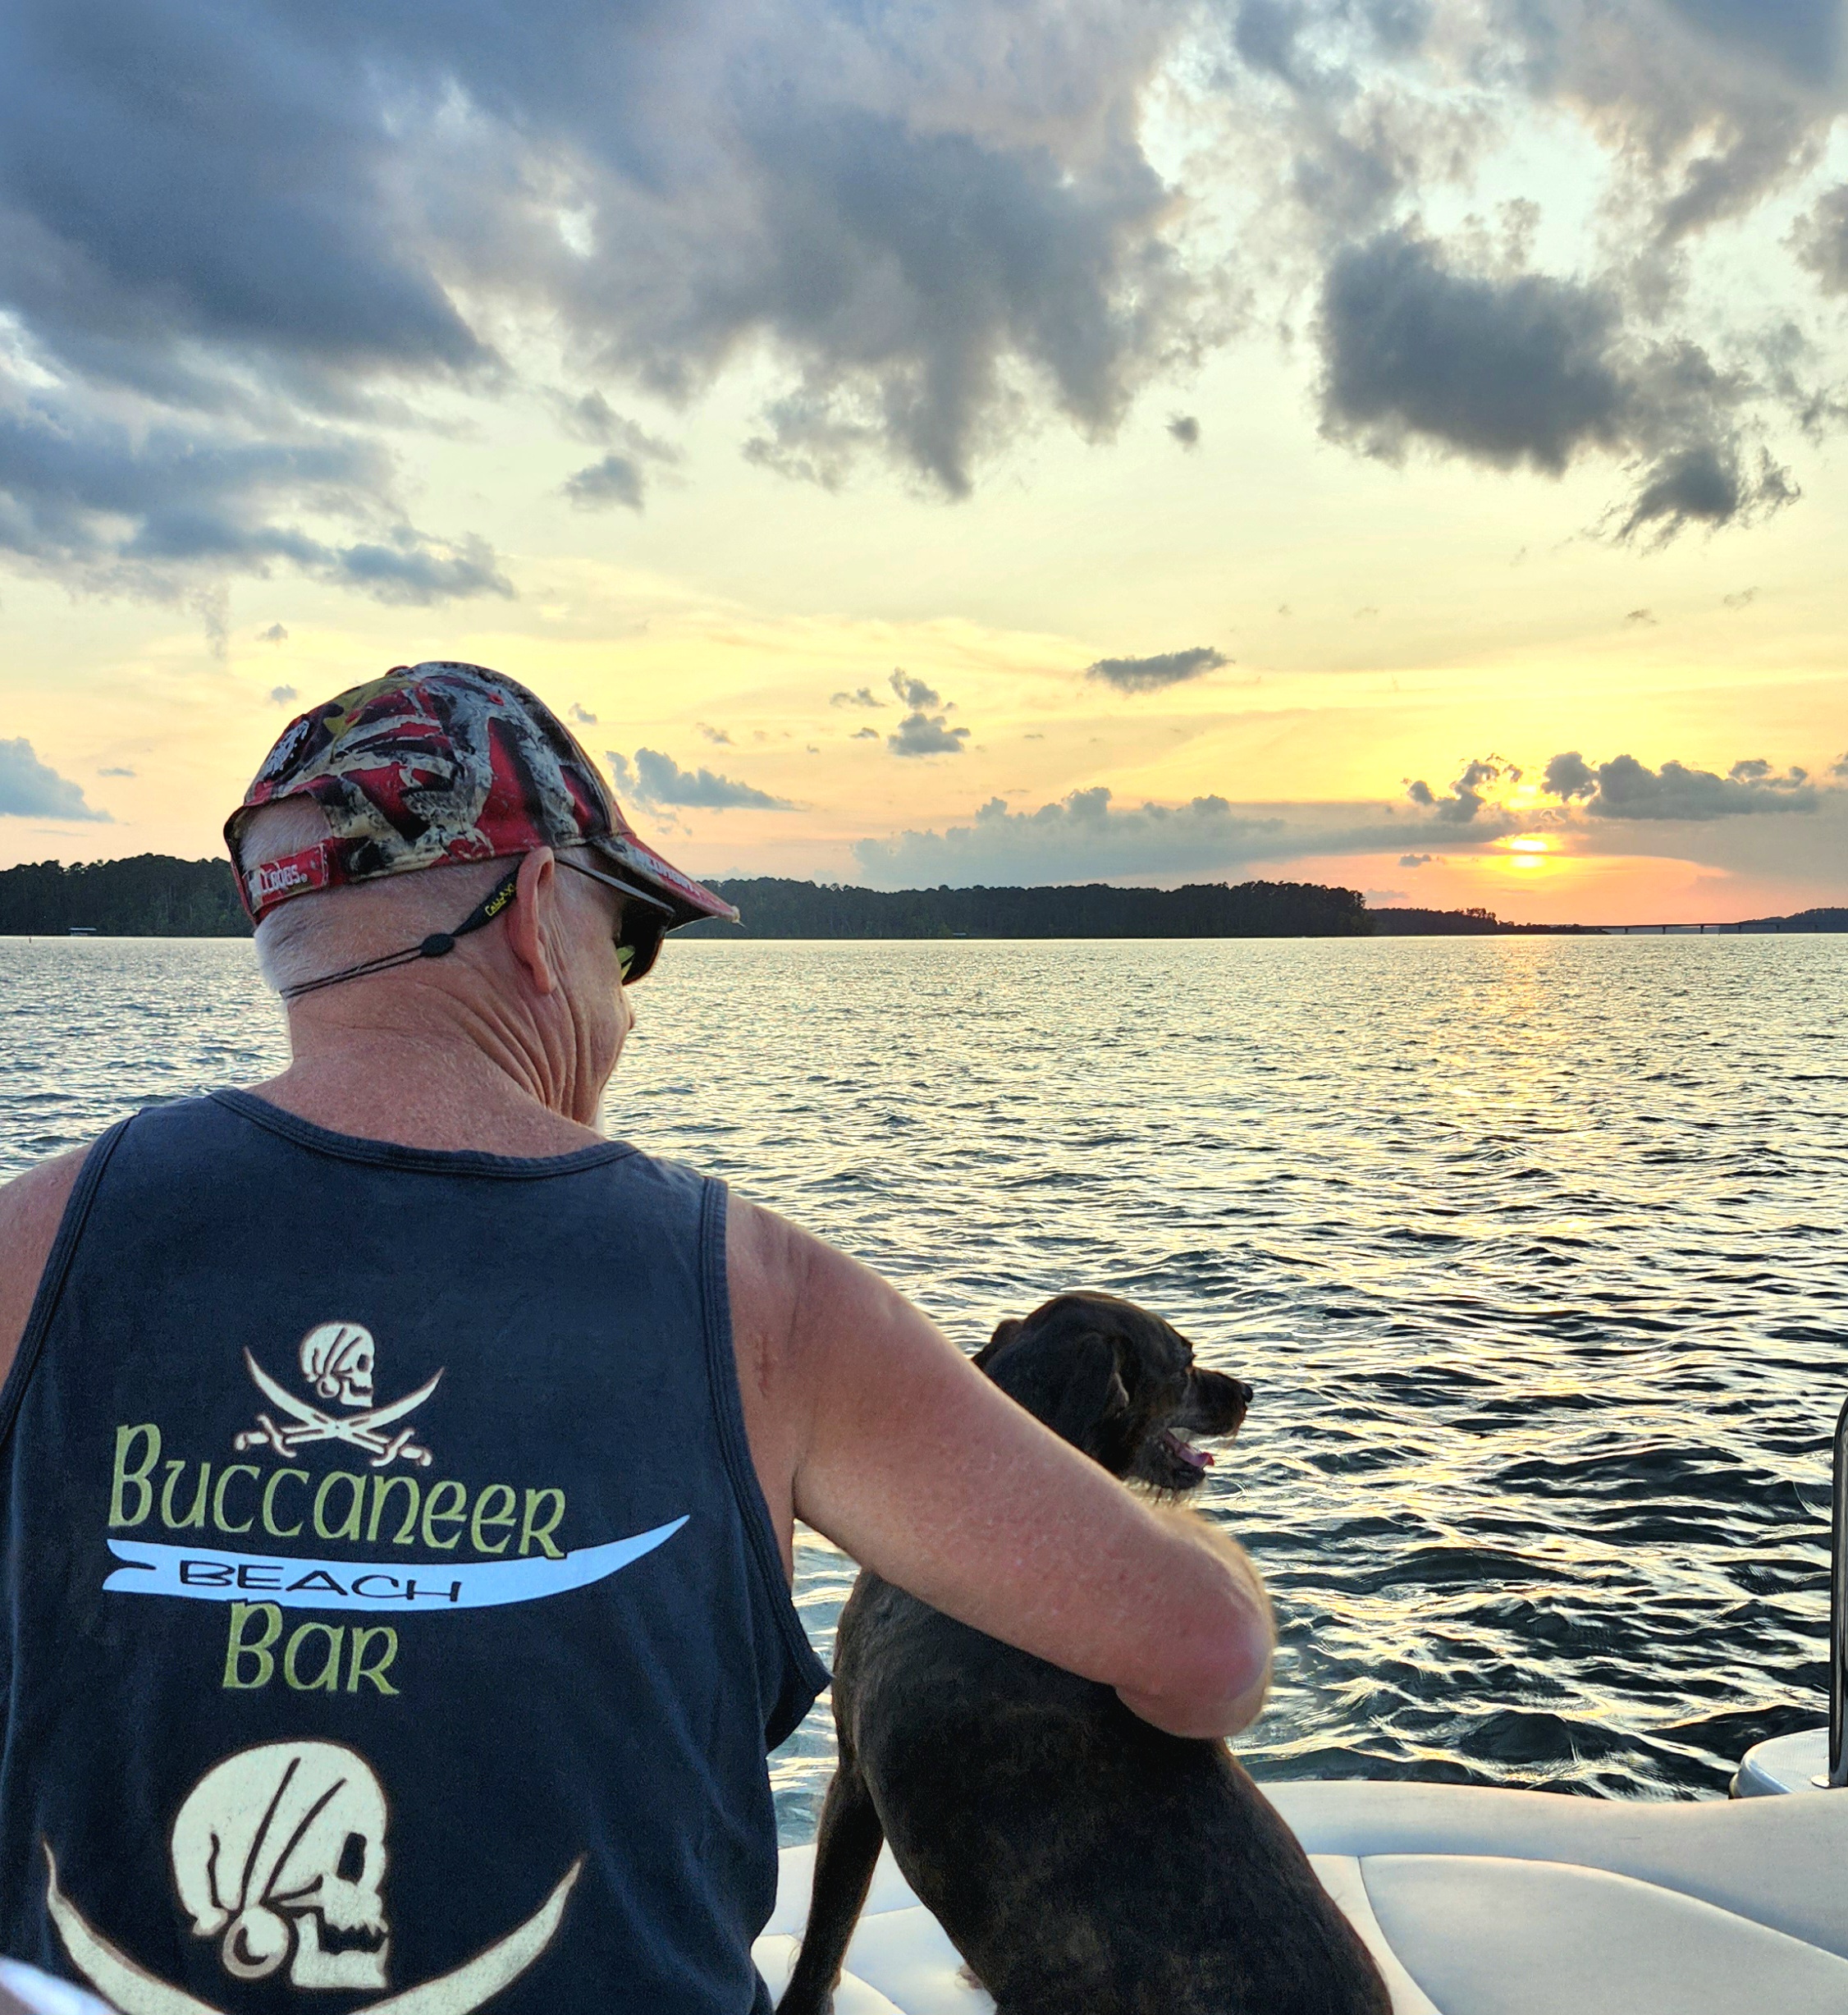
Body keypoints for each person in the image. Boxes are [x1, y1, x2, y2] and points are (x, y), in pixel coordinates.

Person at [0, 663, 1273, 2013]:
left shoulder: (30, 1244)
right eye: (630, 946)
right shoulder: (766, 1302)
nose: (628, 1004)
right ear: (543, 917)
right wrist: (1210, 1566)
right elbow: (1206, 1660)